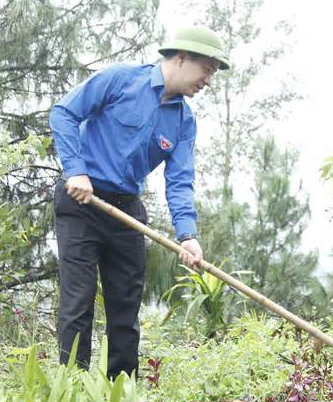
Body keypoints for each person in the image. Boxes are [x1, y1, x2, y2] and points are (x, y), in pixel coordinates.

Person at [49, 27, 229, 379]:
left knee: (126, 310)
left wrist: (187, 235)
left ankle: (122, 397)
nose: (208, 80)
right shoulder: (120, 80)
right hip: (80, 202)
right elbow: (63, 113)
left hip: (126, 211)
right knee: (78, 302)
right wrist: (76, 170)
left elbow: (179, 181)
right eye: (206, 69)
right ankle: (70, 391)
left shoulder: (183, 120)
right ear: (180, 57)